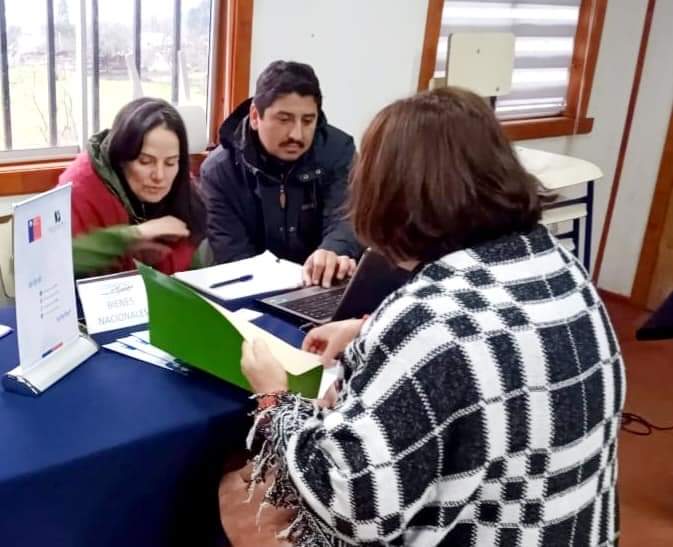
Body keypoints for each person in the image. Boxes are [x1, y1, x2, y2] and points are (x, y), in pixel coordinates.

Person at [224, 87, 625, 546]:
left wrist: (275, 399)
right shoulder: (560, 266)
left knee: (234, 496)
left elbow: (352, 504)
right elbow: (486, 341)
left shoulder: (427, 320)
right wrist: (364, 329)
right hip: (575, 529)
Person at [200, 60, 362, 288]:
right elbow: (233, 255)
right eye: (284, 119)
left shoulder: (338, 151)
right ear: (256, 116)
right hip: (253, 289)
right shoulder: (219, 171)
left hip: (321, 286)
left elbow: (347, 216)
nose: (297, 134)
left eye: (308, 121)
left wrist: (333, 251)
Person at [59, 97, 206, 276]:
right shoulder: (80, 189)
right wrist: (131, 235)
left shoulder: (180, 183)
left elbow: (195, 275)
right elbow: (56, 263)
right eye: (145, 162)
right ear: (121, 157)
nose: (159, 176)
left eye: (170, 163)